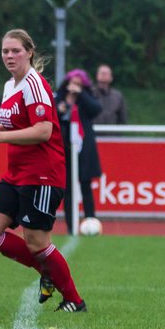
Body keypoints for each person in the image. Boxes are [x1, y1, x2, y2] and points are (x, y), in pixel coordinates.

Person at [0, 29, 87, 313]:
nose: (9, 56)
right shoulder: (9, 85)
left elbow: (43, 131)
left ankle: (74, 300)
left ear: (29, 52)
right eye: (5, 51)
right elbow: (17, 126)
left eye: (16, 51)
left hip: (42, 175)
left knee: (37, 242)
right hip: (16, 174)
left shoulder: (33, 85)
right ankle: (46, 271)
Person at [56, 68, 103, 233]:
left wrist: (81, 94)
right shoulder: (59, 99)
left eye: (78, 84)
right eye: (72, 83)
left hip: (84, 148)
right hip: (65, 149)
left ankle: (90, 222)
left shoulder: (86, 99)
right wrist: (60, 110)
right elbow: (49, 116)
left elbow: (96, 109)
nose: (74, 86)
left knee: (85, 185)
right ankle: (71, 225)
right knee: (67, 188)